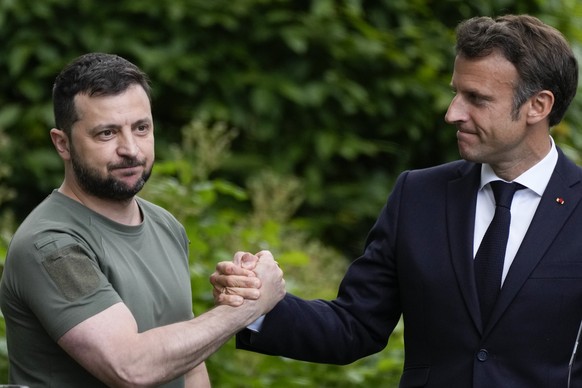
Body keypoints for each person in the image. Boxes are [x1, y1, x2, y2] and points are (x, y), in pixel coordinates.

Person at [210, 14, 582, 387]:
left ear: (538, 106)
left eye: (477, 99)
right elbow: (353, 326)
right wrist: (256, 305)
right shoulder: (418, 195)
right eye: (456, 92)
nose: (452, 112)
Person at [0, 53, 285, 387]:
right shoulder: (52, 245)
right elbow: (130, 367)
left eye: (141, 128)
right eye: (107, 133)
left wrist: (242, 292)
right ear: (62, 144)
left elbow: (189, 364)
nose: (130, 149)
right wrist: (249, 306)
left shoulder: (166, 225)